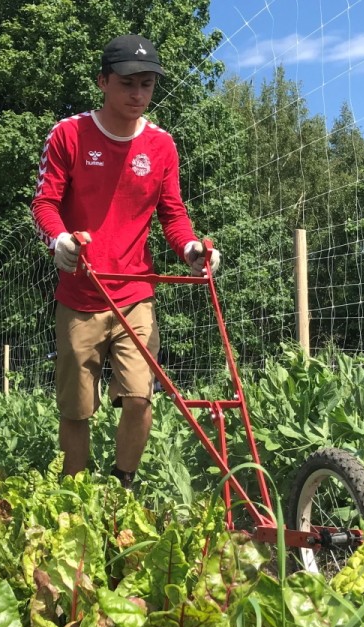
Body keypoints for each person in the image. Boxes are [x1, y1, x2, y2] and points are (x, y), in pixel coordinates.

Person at [30, 34, 221, 490]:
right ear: (103, 82)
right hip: (80, 294)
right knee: (76, 408)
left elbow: (173, 215)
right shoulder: (69, 135)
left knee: (139, 396)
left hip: (135, 292)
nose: (139, 95)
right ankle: (74, 493)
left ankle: (123, 486)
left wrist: (192, 249)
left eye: (148, 85)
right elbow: (44, 203)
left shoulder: (161, 146)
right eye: (128, 84)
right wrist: (58, 239)